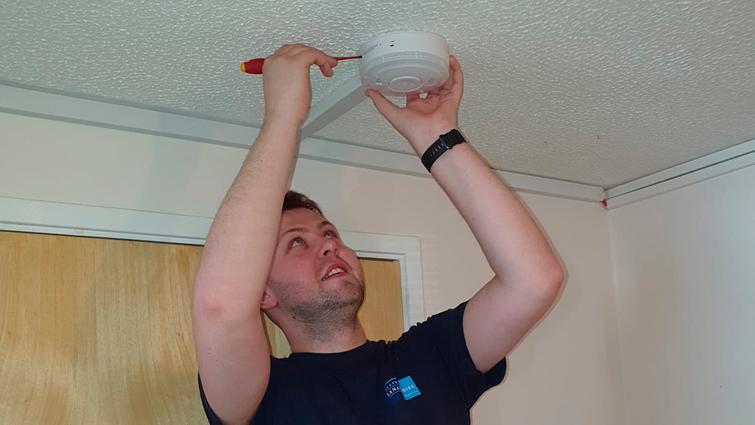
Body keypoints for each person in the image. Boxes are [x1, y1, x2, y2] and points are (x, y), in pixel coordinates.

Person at [192, 44, 564, 425]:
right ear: (262, 292)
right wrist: (283, 116)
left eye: (329, 233)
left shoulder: (431, 355)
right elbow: (221, 307)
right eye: (297, 242)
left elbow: (534, 282)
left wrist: (438, 137)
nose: (330, 245)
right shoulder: (263, 397)